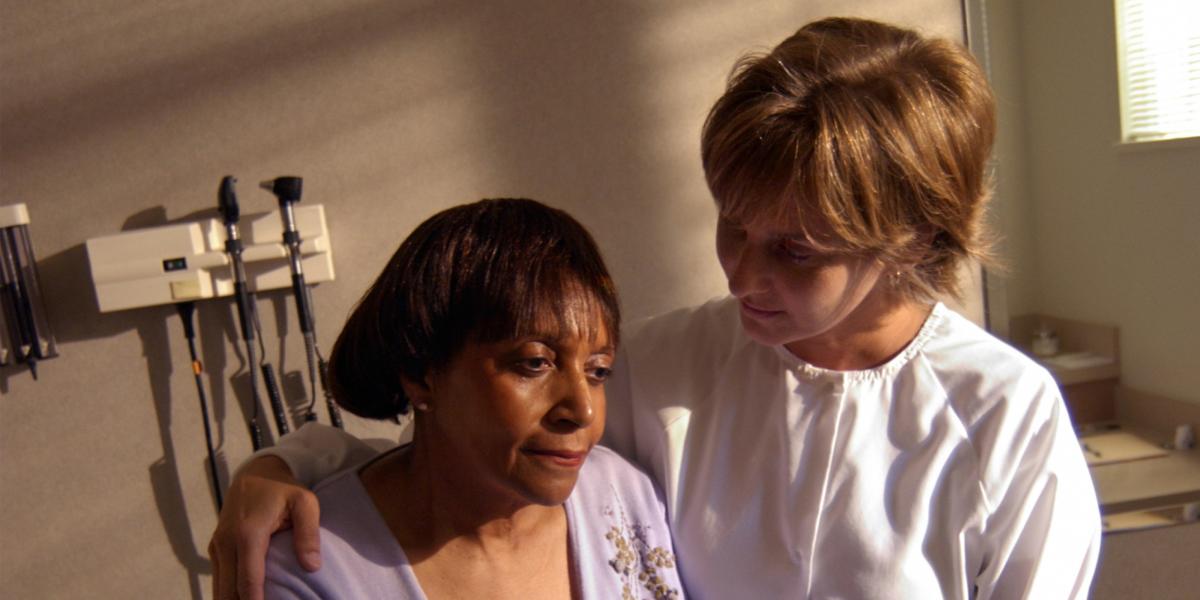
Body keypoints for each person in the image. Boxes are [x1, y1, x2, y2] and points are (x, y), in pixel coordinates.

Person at [211, 17, 1100, 599]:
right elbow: (468, 451)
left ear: (908, 239)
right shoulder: (660, 371)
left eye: (795, 250)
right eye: (731, 225)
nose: (741, 274)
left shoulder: (1001, 419)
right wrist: (285, 467)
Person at [256, 198, 684, 599]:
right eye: (534, 363)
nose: (582, 410)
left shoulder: (623, 496)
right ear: (421, 374)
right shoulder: (312, 568)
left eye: (598, 371)